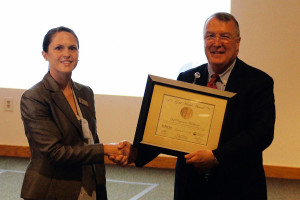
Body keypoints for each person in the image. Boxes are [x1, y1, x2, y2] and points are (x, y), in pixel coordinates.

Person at [117, 12, 276, 200]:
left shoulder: (258, 82)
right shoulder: (186, 78)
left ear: (238, 43)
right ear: (204, 40)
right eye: (210, 36)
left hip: (237, 186)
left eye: (225, 36)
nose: (216, 43)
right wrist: (136, 153)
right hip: (190, 186)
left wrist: (217, 156)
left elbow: (261, 134)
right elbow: (168, 130)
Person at [20, 26, 126, 200]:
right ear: (45, 54)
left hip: (90, 187)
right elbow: (55, 153)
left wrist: (114, 154)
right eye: (58, 48)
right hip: (53, 190)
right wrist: (105, 149)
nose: (67, 53)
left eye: (72, 48)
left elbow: (90, 139)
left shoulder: (85, 92)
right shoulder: (34, 97)